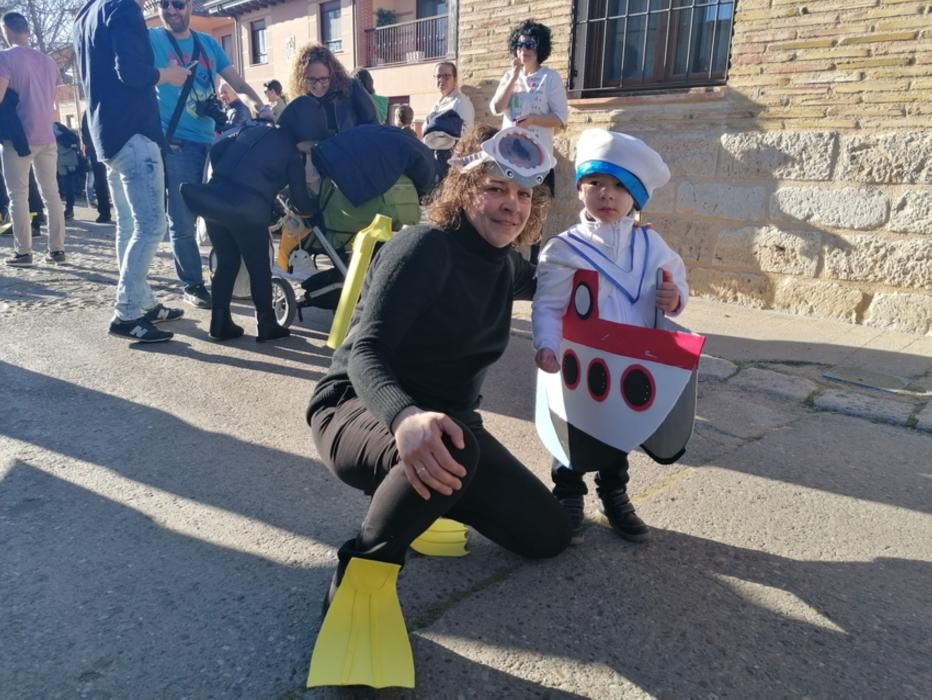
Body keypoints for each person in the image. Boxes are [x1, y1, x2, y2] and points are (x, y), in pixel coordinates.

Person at [305, 126, 570, 685]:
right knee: (455, 443)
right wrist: (405, 417)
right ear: (464, 187)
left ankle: (424, 501)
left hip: (450, 430)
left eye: (524, 196)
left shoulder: (505, 262)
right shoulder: (423, 247)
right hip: (360, 409)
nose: (511, 206)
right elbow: (365, 352)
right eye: (496, 188)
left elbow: (554, 278)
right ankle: (361, 578)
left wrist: (657, 286)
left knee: (548, 536)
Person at [532, 129, 688, 542]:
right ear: (581, 187)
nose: (607, 194)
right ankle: (567, 494)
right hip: (576, 362)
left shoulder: (651, 243)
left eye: (620, 186)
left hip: (629, 361)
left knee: (619, 430)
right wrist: (546, 344)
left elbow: (675, 283)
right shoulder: (564, 248)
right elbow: (547, 304)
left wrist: (675, 297)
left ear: (635, 197)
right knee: (571, 428)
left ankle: (614, 494)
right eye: (596, 183)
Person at [74, 0, 191, 342]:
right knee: (151, 225)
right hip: (134, 131)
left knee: (129, 224)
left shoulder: (86, 13)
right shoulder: (122, 7)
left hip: (108, 134)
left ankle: (142, 301)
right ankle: (126, 312)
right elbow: (133, 72)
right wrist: (169, 75)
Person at [149, 0, 264, 310]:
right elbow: (135, 76)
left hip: (212, 142)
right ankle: (193, 283)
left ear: (190, 5)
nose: (171, 10)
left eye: (178, 3)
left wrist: (259, 104)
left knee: (219, 217)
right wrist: (165, 75)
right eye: (164, 4)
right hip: (176, 145)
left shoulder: (209, 44)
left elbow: (235, 80)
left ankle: (228, 276)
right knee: (183, 221)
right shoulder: (153, 39)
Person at [180, 97, 317, 342]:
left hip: (215, 199)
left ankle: (220, 322)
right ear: (305, 133)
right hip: (248, 207)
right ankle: (267, 323)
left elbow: (218, 149)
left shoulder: (255, 130)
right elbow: (301, 202)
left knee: (226, 262)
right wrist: (314, 210)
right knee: (258, 267)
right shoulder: (292, 156)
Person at [0, 12, 67, 267]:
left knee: (18, 195)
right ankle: (57, 249)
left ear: (6, 29)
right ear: (27, 30)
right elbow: (51, 95)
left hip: (19, 137)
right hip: (47, 134)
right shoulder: (48, 61)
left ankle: (24, 252)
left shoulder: (4, 58)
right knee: (52, 193)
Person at [489, 19, 568, 198]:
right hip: (509, 158)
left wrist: (533, 119)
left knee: (534, 218)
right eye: (520, 45)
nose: (523, 50)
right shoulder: (509, 76)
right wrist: (514, 76)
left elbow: (561, 118)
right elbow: (496, 107)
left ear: (539, 48)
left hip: (538, 160)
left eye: (529, 45)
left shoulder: (549, 77)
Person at [288, 44, 378, 141]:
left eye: (323, 79)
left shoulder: (351, 88)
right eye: (311, 79)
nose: (318, 85)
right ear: (300, 78)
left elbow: (374, 126)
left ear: (332, 74)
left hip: (352, 154)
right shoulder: (300, 103)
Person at [422, 61, 474, 180]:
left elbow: (467, 135)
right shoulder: (436, 105)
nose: (442, 80)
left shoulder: (461, 102)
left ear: (455, 79)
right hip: (435, 161)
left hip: (452, 161)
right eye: (438, 76)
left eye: (446, 76)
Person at [80, 111, 111, 223]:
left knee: (100, 182)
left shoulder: (88, 112)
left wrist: (88, 147)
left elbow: (84, 133)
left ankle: (104, 212)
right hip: (111, 147)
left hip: (96, 150)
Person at [53, 122, 80, 220]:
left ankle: (61, 211)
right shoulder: (61, 128)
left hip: (58, 162)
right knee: (68, 186)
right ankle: (69, 209)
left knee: (58, 187)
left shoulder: (50, 129)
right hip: (69, 161)